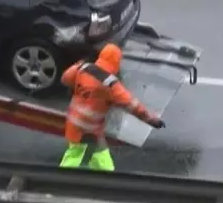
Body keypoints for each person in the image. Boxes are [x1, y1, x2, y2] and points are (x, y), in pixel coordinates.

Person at [58, 43, 165, 172]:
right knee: (75, 155)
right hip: (88, 128)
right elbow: (132, 104)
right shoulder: (110, 84)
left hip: (74, 123)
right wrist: (151, 119)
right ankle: (61, 180)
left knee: (96, 153)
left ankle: (108, 178)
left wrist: (79, 66)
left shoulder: (84, 68)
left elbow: (65, 79)